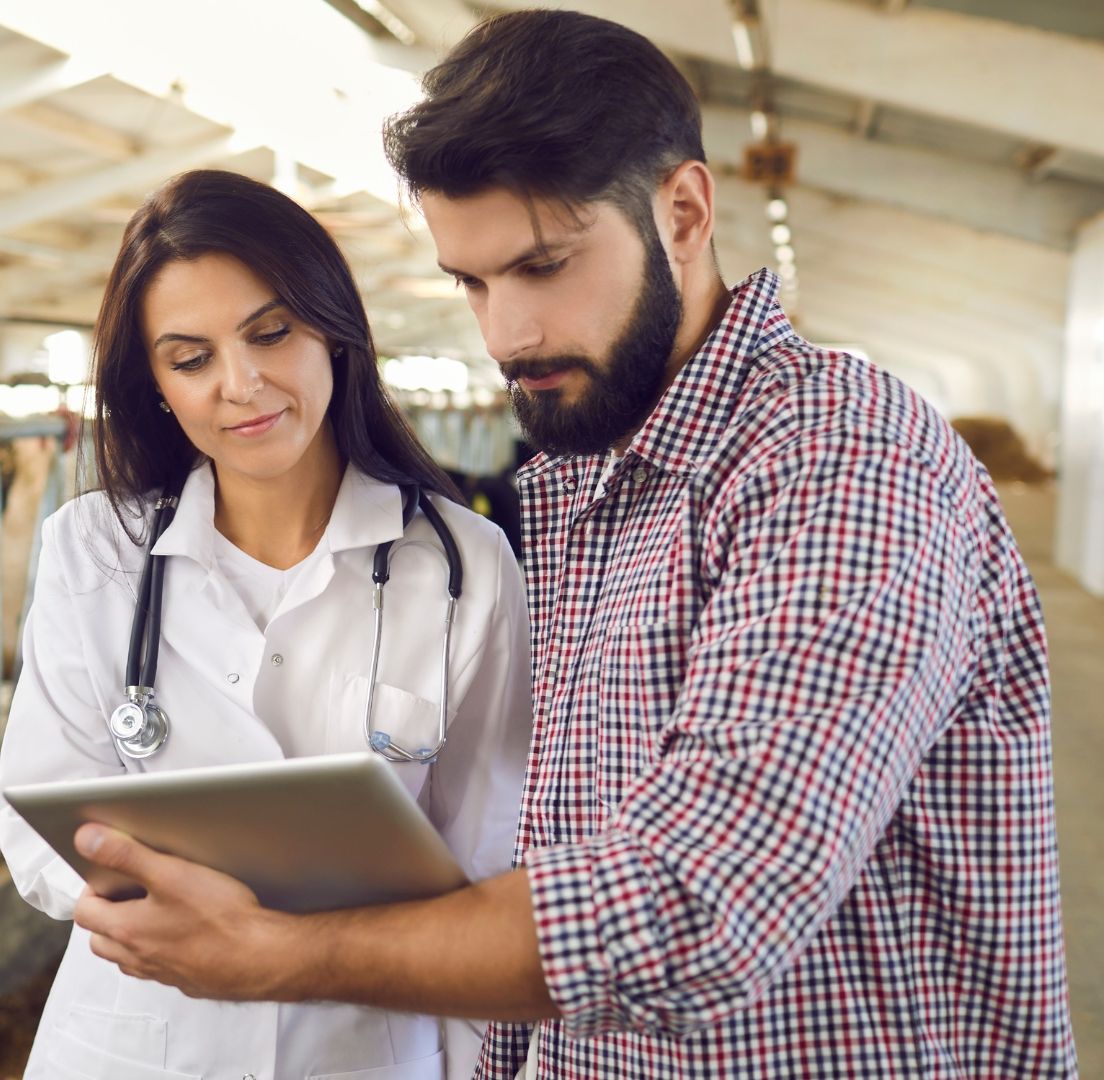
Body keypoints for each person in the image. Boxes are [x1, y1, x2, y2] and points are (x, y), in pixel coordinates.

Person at [65, 11, 1076, 1079]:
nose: (505, 334)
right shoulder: (582, 481)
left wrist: (285, 955)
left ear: (683, 213)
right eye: (471, 281)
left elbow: (698, 902)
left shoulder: (839, 456)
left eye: (542, 267)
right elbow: (544, 862)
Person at [0, 168, 532, 1079]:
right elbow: (35, 821)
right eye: (190, 358)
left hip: (364, 1046)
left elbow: (486, 868)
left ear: (335, 331)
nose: (240, 385)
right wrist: (163, 908)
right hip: (134, 1042)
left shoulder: (464, 567)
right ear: (156, 383)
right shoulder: (95, 550)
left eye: (271, 333)